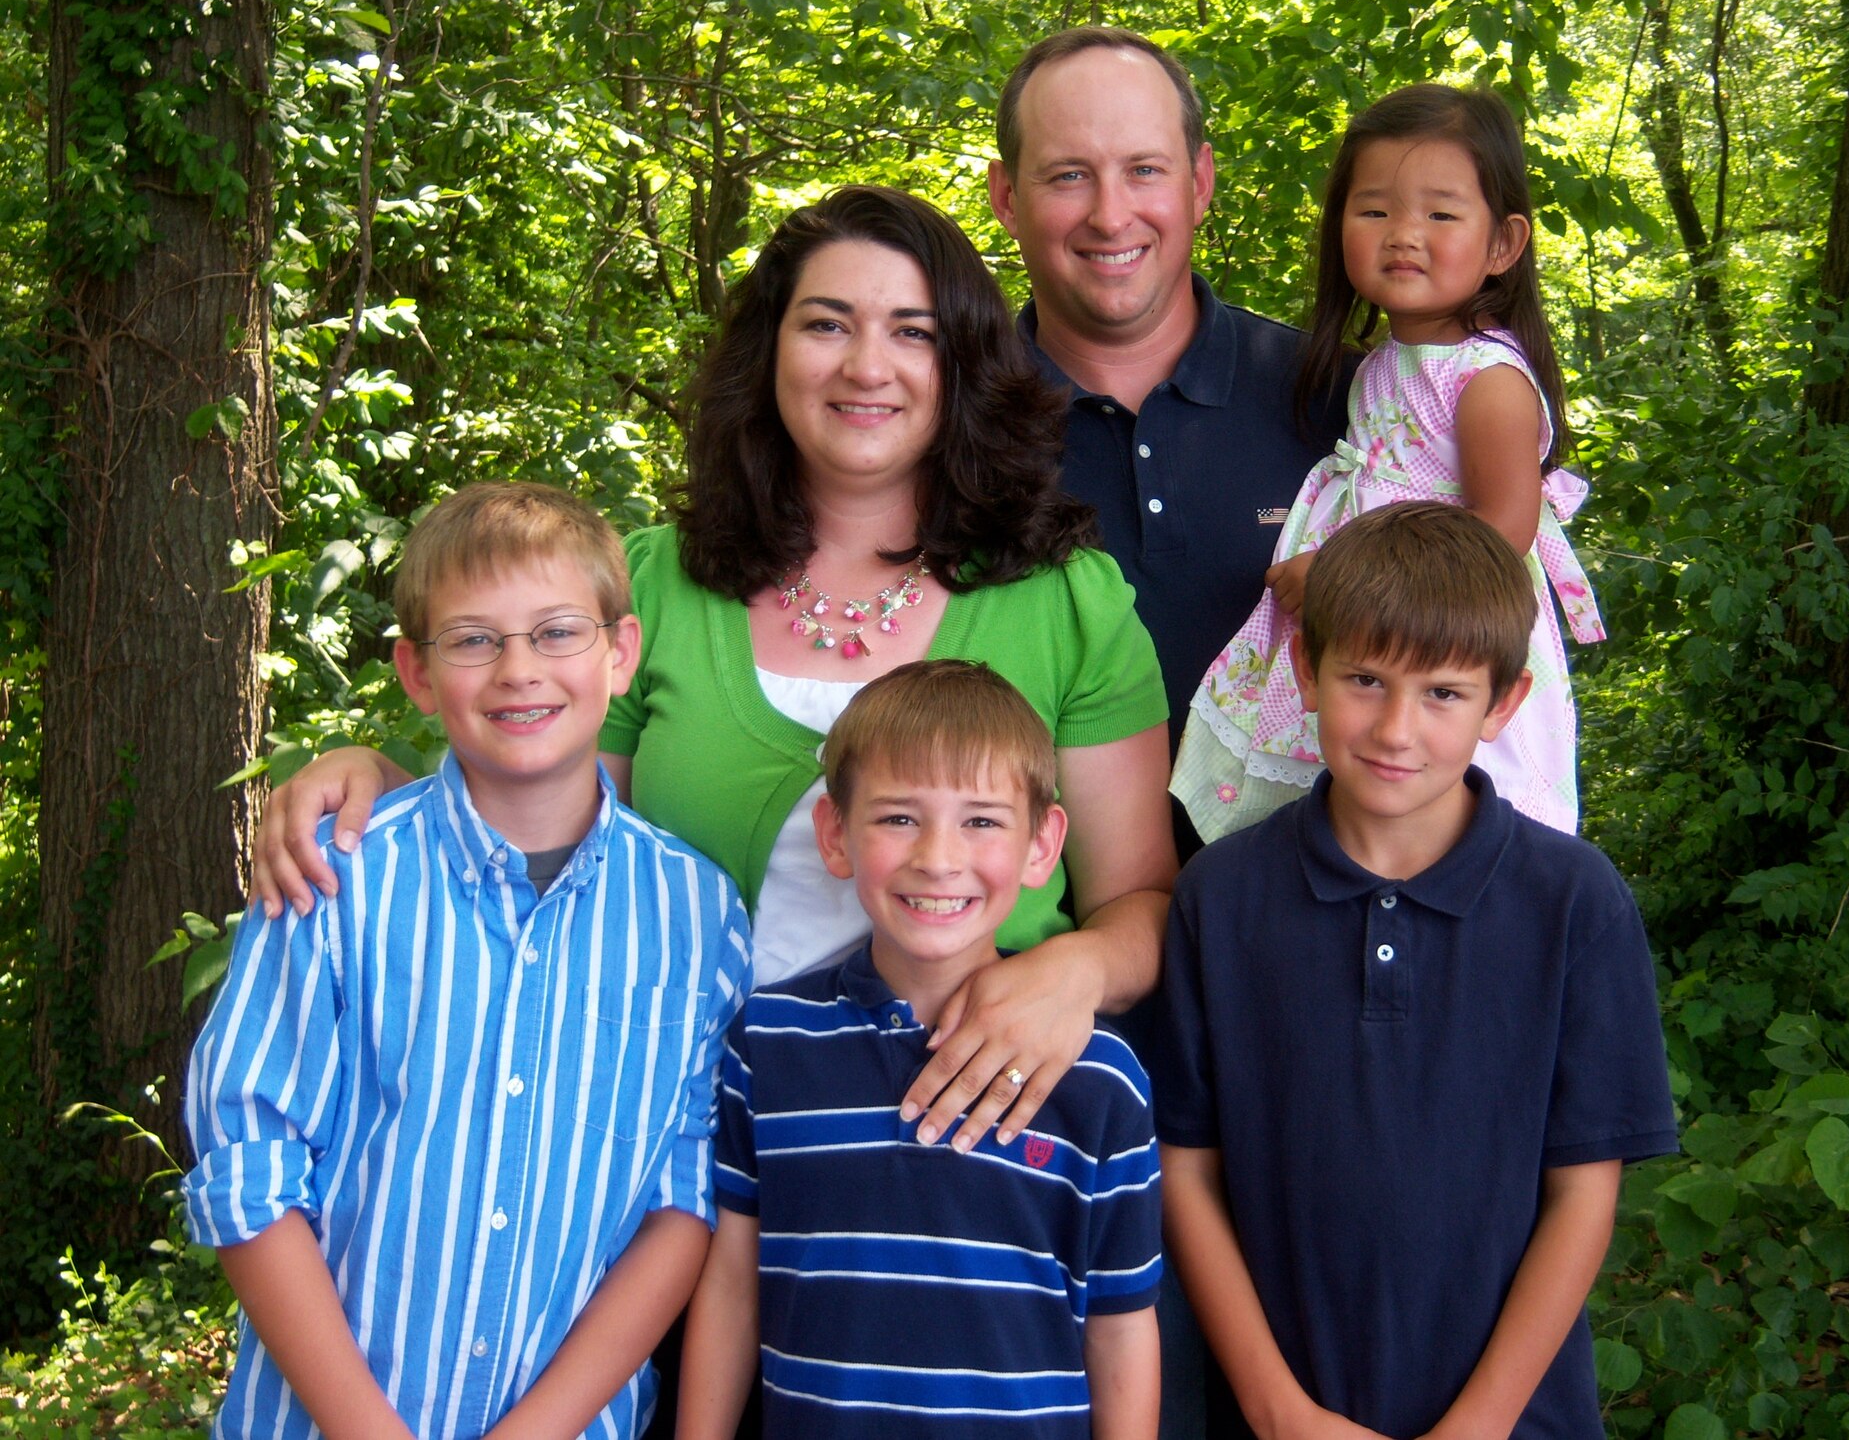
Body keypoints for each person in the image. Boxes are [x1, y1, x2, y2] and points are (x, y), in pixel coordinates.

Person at [246, 184, 1176, 1163]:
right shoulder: (654, 585)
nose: (867, 365)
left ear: (964, 365)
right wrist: (379, 782)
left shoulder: (1067, 602)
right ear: (769, 351)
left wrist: (1073, 972)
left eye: (913, 332)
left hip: (969, 1166)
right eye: (826, 324)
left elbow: (1140, 905)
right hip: (664, 1157)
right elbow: (537, 844)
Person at [182, 481, 753, 1439]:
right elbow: (249, 1174)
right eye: (474, 639)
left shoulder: (693, 914)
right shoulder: (335, 878)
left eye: (558, 632)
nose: (518, 670)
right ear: (415, 672)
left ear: (621, 655)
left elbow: (680, 1203)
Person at [1155, 502, 1678, 1440]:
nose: (1397, 728)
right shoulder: (1221, 899)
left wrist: (1476, 1428)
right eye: (1365, 679)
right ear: (1307, 673)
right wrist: (1277, 1412)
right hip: (1284, 1414)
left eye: (1442, 693)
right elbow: (1185, 1171)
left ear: (1503, 704)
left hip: (1515, 1420)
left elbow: (1584, 1193)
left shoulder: (1574, 903)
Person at [677, 660, 1162, 1440]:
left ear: (1043, 845)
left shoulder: (1099, 1079)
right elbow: (732, 1284)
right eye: (900, 817)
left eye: (982, 821)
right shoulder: (768, 1043)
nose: (939, 857)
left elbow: (1121, 1325)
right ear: (836, 834)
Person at [1173, 83, 1608, 843]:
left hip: (1444, 638)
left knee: (1429, 815)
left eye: (1440, 214)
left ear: (1503, 244)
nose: (1404, 234)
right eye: (1374, 210)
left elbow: (1498, 536)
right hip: (1374, 637)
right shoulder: (1384, 362)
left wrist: (1340, 574)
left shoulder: (1487, 381)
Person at [989, 27, 1359, 748]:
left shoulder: (1342, 399)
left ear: (1201, 183)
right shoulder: (948, 422)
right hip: (1044, 861)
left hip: (1322, 859)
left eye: (1144, 170)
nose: (1110, 214)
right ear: (1007, 197)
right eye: (1068, 174)